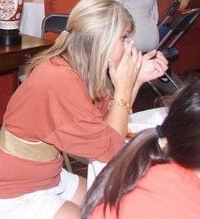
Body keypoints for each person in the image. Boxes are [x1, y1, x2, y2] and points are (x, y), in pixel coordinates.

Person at [0, 0, 168, 219]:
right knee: (103, 211)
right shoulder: (60, 82)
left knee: (114, 200)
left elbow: (108, 122)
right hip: (15, 194)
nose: (130, 45)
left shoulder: (72, 66)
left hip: (46, 176)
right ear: (102, 41)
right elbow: (112, 150)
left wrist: (135, 80)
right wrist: (124, 87)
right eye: (124, 37)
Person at [81, 81, 200, 219]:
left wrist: (133, 82)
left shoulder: (147, 166)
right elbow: (105, 146)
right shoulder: (182, 204)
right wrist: (126, 85)